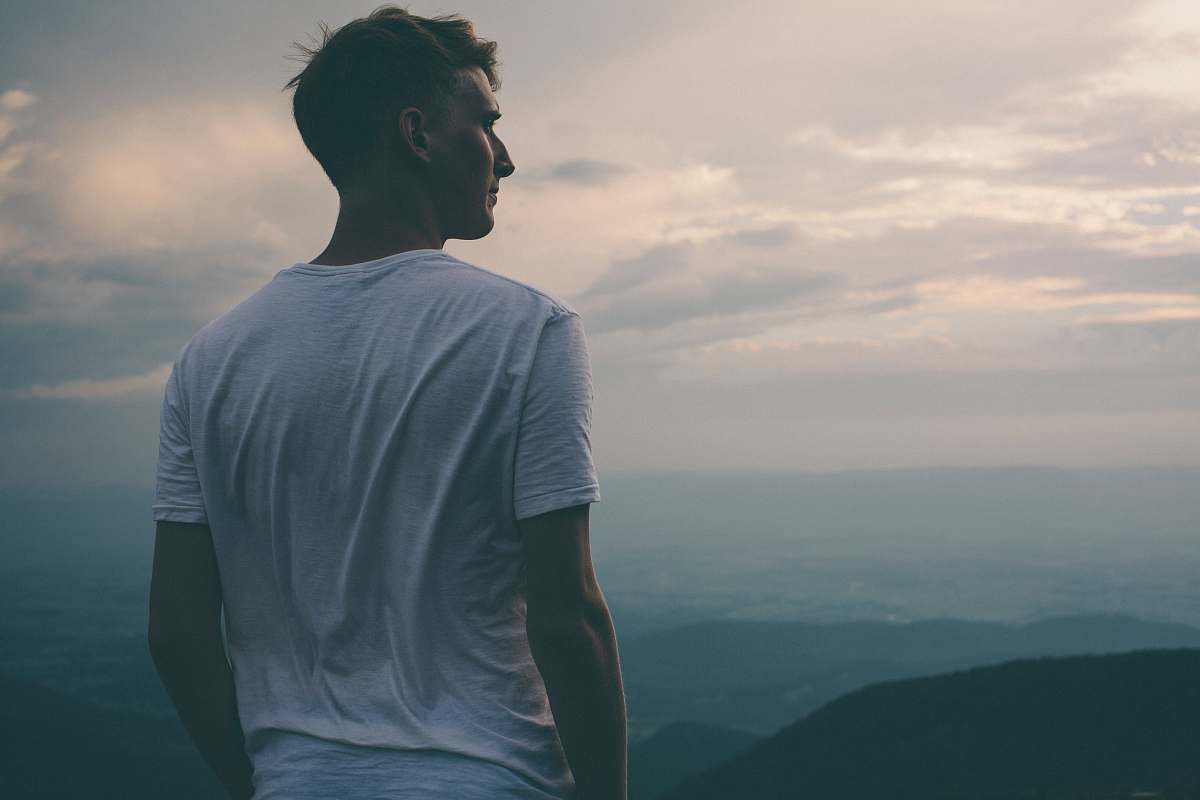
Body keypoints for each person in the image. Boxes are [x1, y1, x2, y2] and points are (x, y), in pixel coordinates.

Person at [146, 6, 627, 799]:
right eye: (487, 124)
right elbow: (566, 616)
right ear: (419, 134)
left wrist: (263, 780)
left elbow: (176, 630)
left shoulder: (210, 360)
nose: (505, 160)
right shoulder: (528, 329)